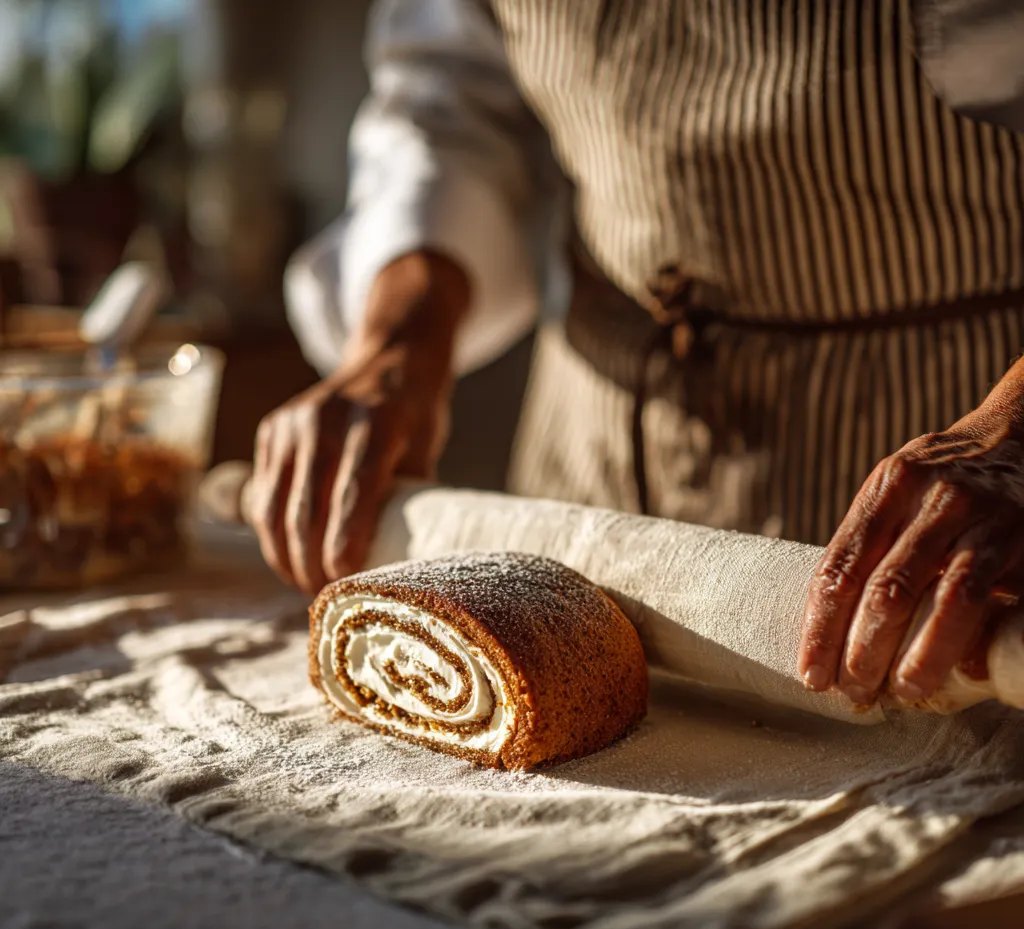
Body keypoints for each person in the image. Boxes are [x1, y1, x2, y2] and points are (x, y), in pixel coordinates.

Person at [251, 0, 1024, 713]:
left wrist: (1014, 423)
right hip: (592, 447)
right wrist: (396, 345)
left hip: (936, 472)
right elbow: (453, 105)